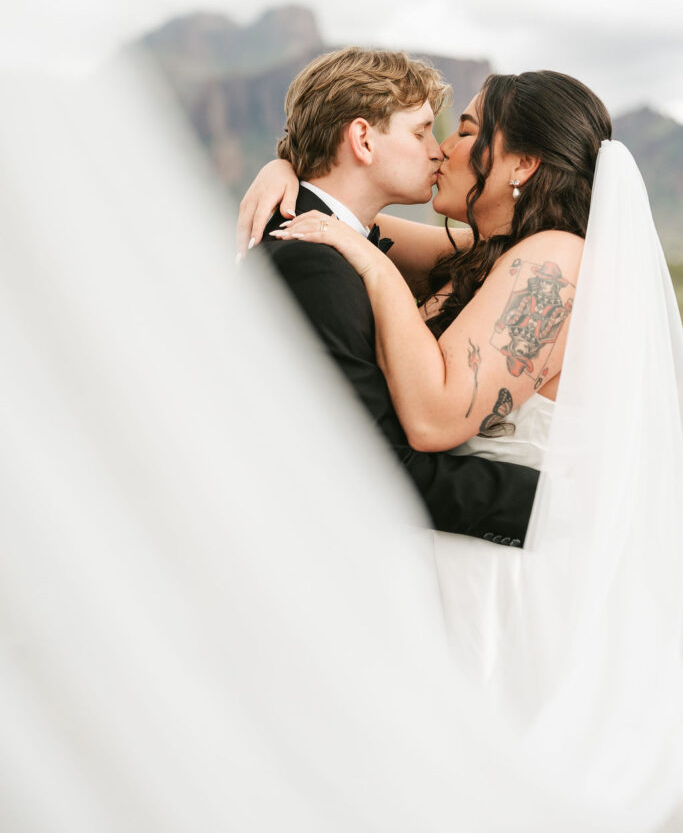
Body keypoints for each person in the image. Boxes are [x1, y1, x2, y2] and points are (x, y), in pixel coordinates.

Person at [239, 64, 683, 823]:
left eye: (469, 130)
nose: (445, 147)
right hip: (459, 551)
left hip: (506, 571)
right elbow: (346, 218)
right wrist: (283, 168)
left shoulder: (553, 260)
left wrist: (373, 270)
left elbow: (436, 417)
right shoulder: (489, 253)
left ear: (521, 164)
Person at [239, 48, 539, 544]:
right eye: (421, 132)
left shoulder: (334, 244)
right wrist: (562, 502)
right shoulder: (311, 262)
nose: (439, 151)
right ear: (362, 139)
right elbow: (374, 467)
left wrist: (282, 166)